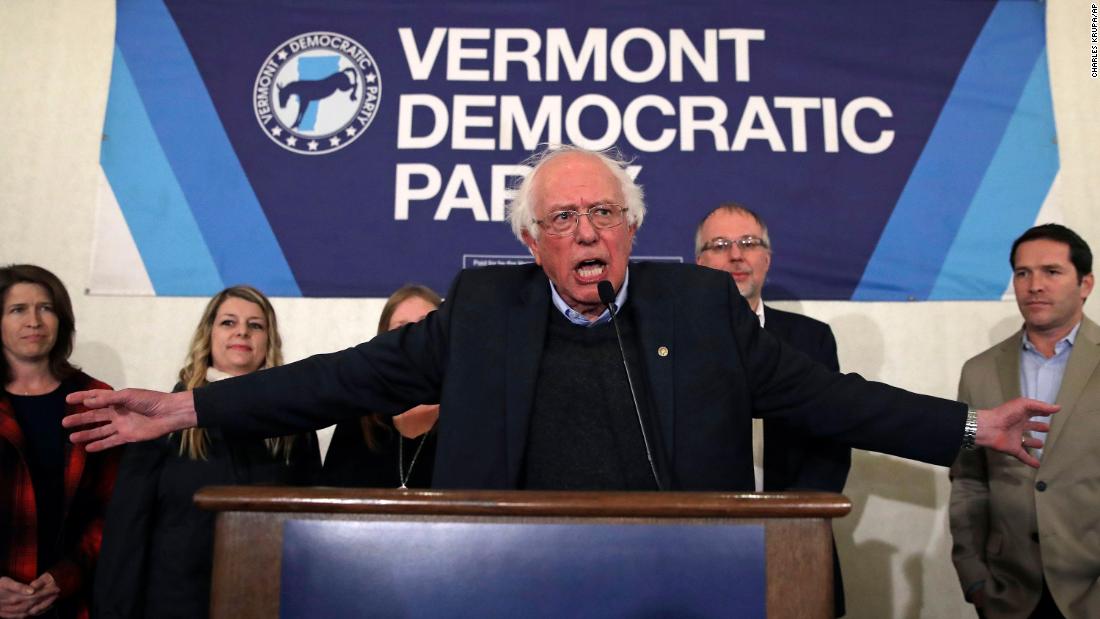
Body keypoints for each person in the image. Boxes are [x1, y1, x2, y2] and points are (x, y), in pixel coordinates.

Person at [65, 145, 1050, 497]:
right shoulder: (481, 311)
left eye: (603, 213)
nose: (587, 231)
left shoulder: (699, 306)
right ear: (531, 241)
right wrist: (195, 401)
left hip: (675, 582)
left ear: (629, 228)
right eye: (563, 219)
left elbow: (829, 399)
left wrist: (965, 425)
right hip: (508, 577)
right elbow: (342, 378)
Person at [93, 286, 320, 619]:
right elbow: (127, 534)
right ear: (208, 335)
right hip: (173, 604)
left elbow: (311, 531)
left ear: (269, 342)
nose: (242, 331)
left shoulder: (296, 430)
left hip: (266, 602)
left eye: (255, 325)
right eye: (229, 322)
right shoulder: (157, 422)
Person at [695, 204, 850, 616]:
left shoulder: (811, 339)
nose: (736, 255)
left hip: (796, 539)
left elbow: (832, 442)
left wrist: (796, 521)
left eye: (749, 243)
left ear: (767, 257)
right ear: (700, 263)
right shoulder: (673, 342)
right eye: (720, 245)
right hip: (700, 545)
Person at [950, 224, 1099, 619]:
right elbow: (967, 480)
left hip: (1090, 587)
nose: (1034, 285)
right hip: (1008, 593)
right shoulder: (979, 371)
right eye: (1022, 273)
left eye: (1051, 272)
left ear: (1086, 284)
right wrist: (974, 577)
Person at [0, 264, 118, 619]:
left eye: (46, 308)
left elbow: (112, 509)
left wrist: (65, 577)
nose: (34, 320)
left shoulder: (95, 399)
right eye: (17, 309)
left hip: (70, 600)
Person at [320, 284, 441, 488]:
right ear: (383, 342)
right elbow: (330, 497)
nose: (414, 338)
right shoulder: (358, 416)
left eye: (424, 326)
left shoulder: (469, 418)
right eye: (402, 329)